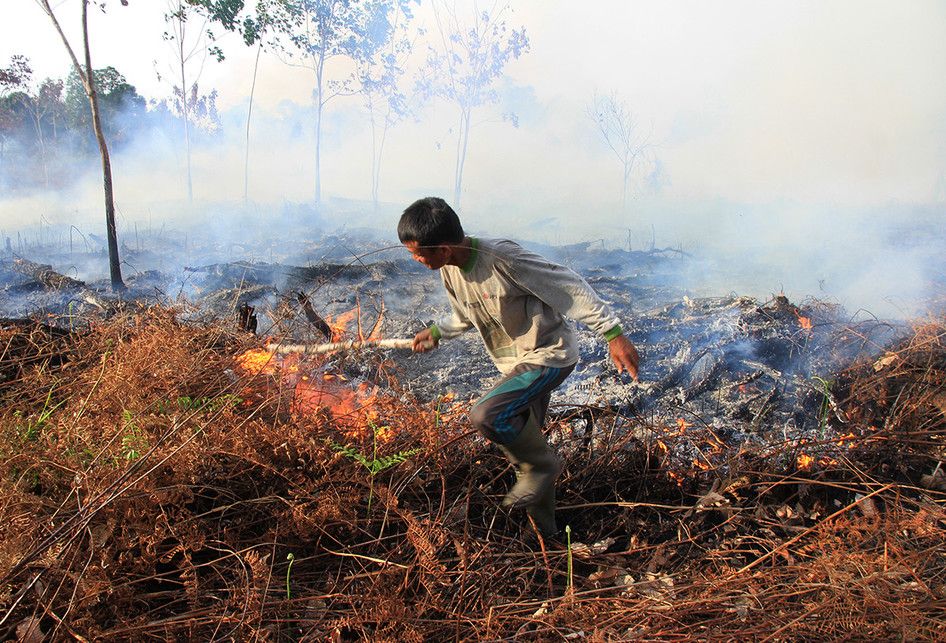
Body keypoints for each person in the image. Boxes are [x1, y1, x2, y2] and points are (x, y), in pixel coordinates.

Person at [398, 196, 640, 538]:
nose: (417, 260)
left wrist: (613, 334)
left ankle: (544, 467)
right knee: (525, 451)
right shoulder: (449, 270)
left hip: (548, 355)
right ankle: (546, 535)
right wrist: (439, 331)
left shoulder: (503, 259)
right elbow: (466, 315)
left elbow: (568, 286)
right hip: (515, 364)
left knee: (487, 415)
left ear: (446, 247)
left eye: (419, 253)